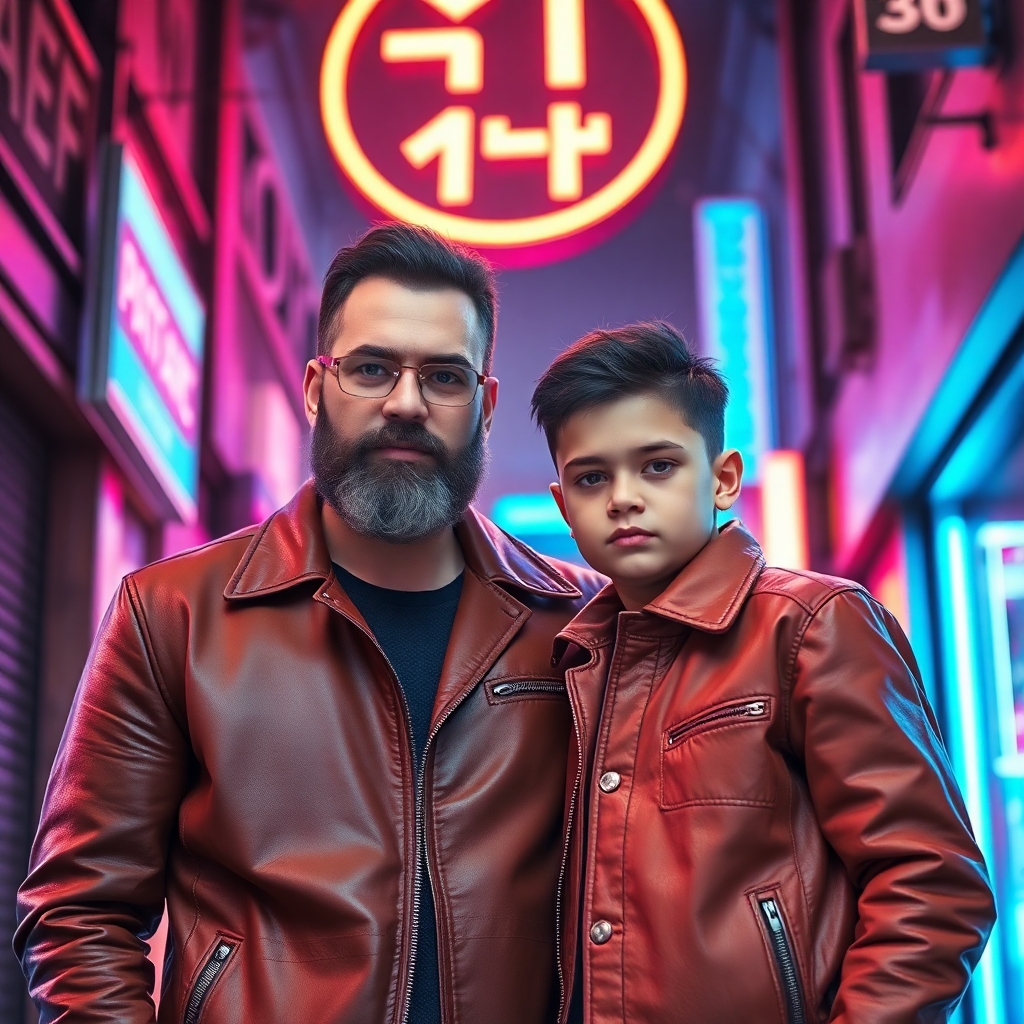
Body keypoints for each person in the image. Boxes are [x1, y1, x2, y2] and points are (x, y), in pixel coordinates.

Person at [16, 224, 603, 1024]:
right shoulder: (174, 615)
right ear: (315, 388)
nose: (406, 402)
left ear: (486, 406)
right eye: (371, 368)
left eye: (443, 376)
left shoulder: (581, 625)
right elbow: (79, 914)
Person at [530, 321, 996, 1024]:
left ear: (723, 479)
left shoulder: (810, 625)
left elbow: (930, 884)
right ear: (564, 505)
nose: (623, 497)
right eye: (592, 478)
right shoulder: (572, 662)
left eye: (658, 466)